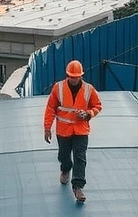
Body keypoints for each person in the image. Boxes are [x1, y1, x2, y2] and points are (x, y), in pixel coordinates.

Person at [43, 60, 102, 203]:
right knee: (64, 155)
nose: (74, 79)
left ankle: (78, 187)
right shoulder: (58, 88)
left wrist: (88, 114)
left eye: (77, 77)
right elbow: (51, 108)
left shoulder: (89, 89)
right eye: (72, 76)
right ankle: (65, 169)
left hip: (81, 130)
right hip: (63, 130)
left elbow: (97, 106)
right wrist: (47, 128)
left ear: (81, 76)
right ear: (67, 75)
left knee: (80, 157)